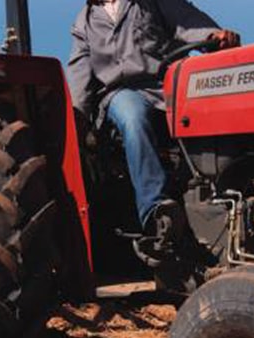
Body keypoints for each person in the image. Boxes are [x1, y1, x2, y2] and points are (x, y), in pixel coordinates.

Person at [67, 0, 240, 264]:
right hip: (119, 92)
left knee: (211, 109)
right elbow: (80, 72)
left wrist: (213, 36)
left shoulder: (150, 3)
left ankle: (225, 193)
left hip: (163, 85)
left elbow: (187, 21)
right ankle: (156, 211)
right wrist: (76, 120)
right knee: (133, 118)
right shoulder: (85, 22)